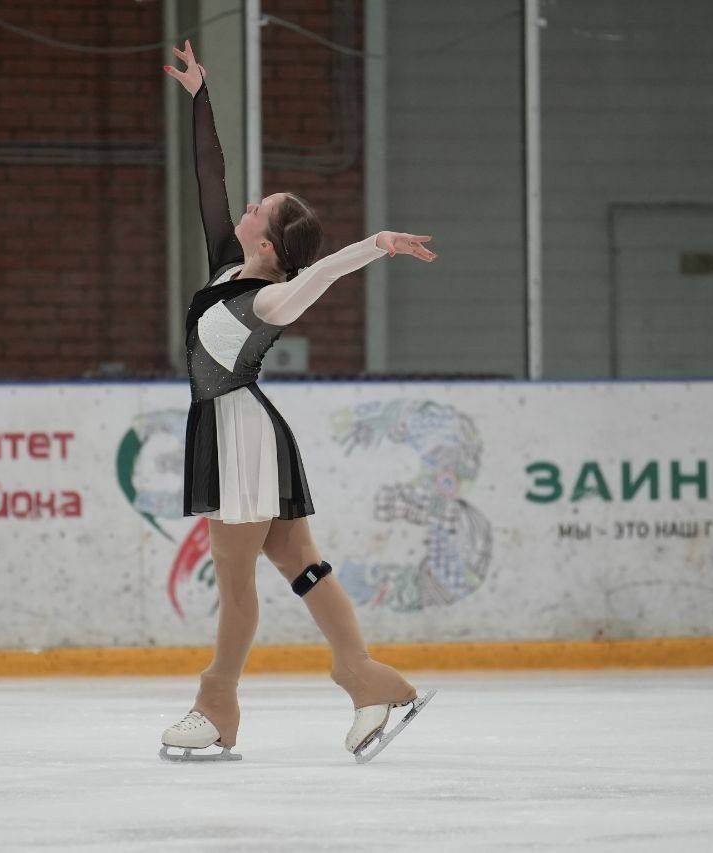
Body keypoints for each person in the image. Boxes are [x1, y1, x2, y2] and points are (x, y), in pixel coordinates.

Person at [160, 41, 436, 762]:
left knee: (236, 578)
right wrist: (199, 97)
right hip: (240, 429)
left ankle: (216, 703)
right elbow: (209, 178)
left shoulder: (274, 295)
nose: (248, 206)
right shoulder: (228, 263)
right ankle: (365, 678)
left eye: (262, 208)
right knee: (301, 563)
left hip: (241, 439)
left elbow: (328, 274)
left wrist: (377, 242)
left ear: (274, 241)